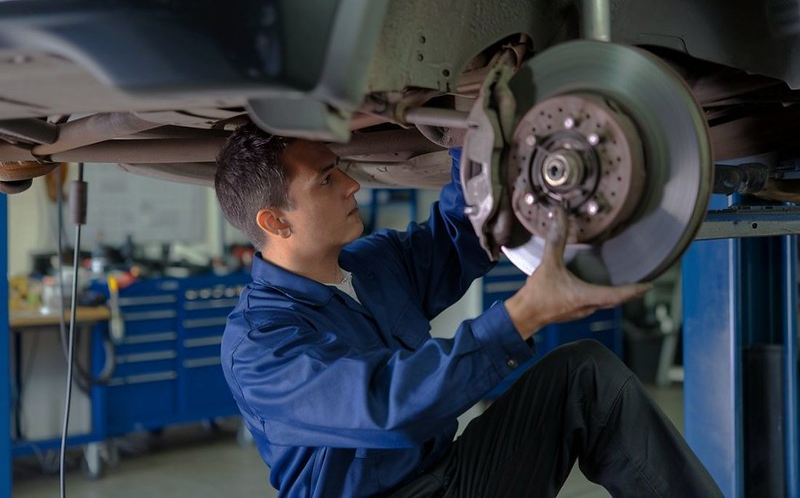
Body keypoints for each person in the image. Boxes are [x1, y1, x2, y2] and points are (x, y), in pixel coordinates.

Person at [214, 122, 722, 497]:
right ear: (275, 221)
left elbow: (463, 235)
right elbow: (389, 407)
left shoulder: (372, 263)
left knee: (585, 374)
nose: (352, 184)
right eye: (326, 180)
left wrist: (465, 131)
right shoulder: (259, 343)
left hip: (449, 476)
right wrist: (526, 312)